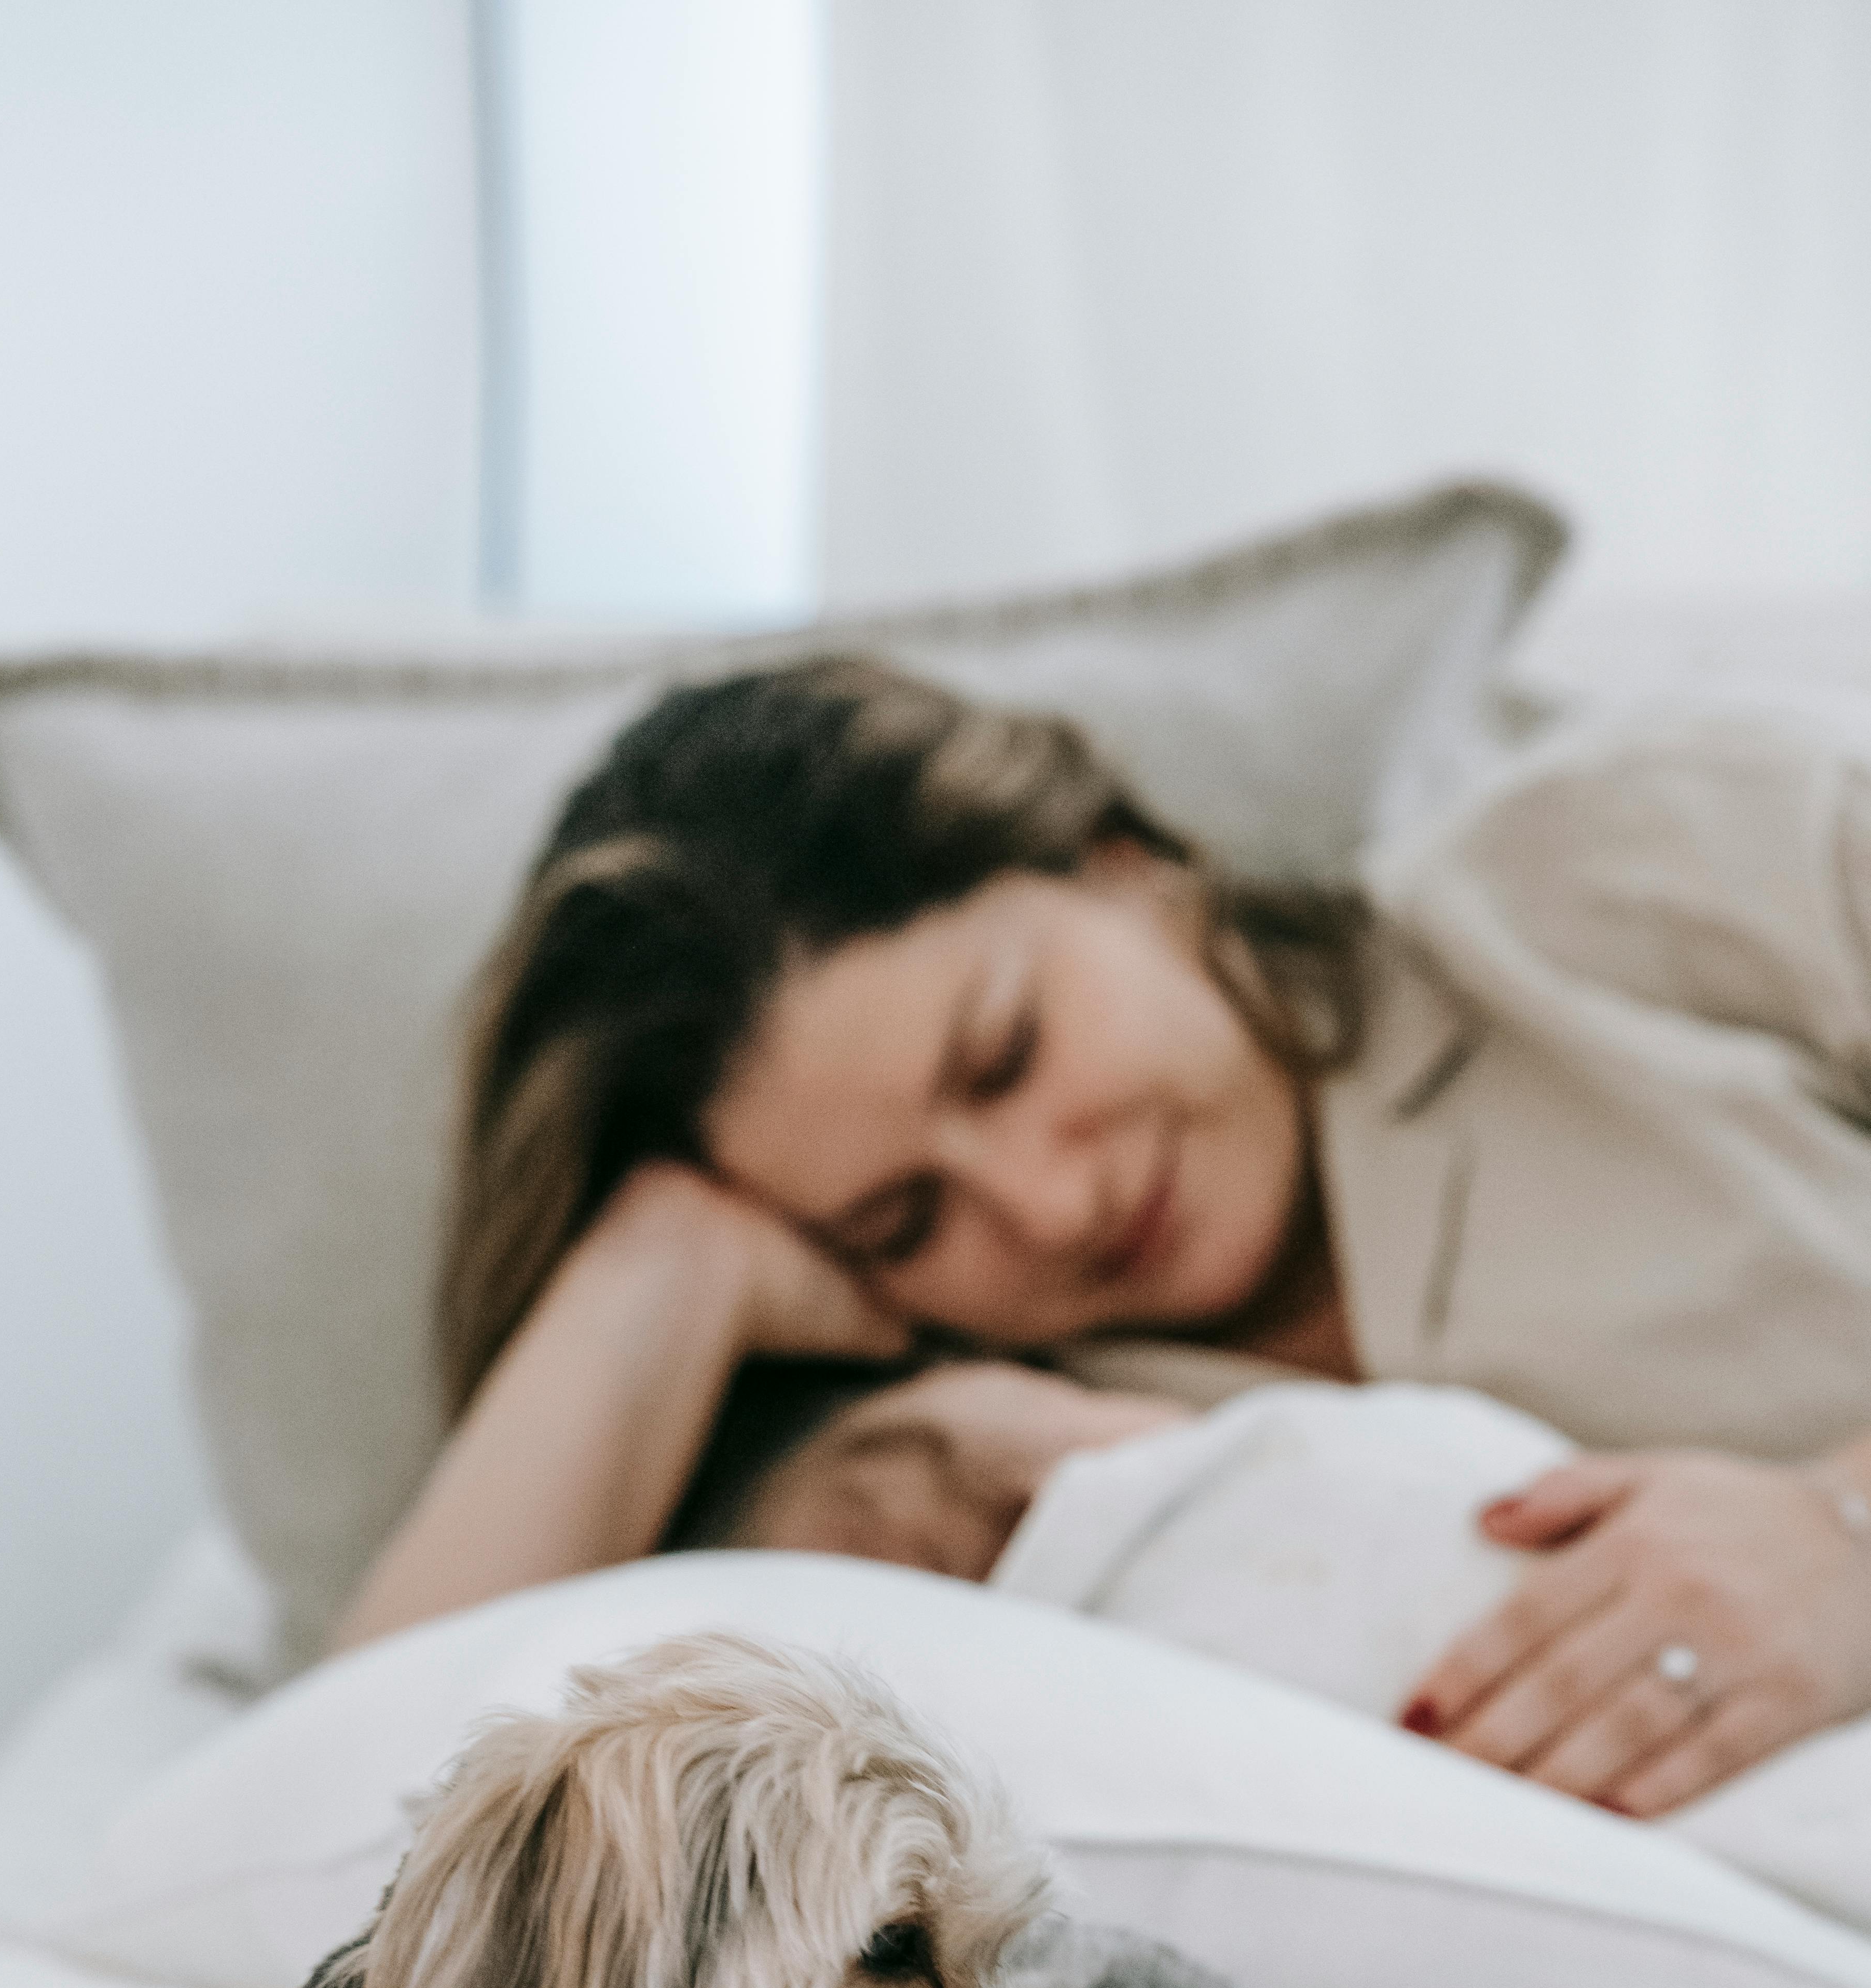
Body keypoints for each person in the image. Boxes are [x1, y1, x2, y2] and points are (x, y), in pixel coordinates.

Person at [333, 657, 1871, 1822]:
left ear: (1118, 862)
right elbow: (371, 1800)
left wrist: (1838, 1539)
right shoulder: (971, 1470)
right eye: (905, 1216)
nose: (1048, 1206)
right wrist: (661, 1272)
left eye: (1005, 1053)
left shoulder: (1625, 872)